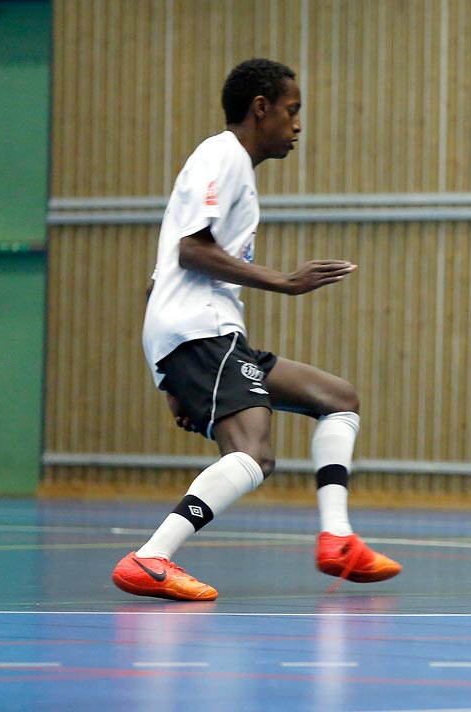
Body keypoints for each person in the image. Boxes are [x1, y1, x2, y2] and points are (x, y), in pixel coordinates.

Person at [112, 58, 401, 602]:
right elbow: (190, 251)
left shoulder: (237, 172)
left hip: (206, 336)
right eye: (292, 112)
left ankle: (337, 539)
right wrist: (285, 282)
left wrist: (173, 380)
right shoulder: (221, 155)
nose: (297, 125)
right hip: (202, 331)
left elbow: (157, 283)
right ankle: (151, 557)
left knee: (338, 399)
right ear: (260, 108)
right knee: (253, 454)